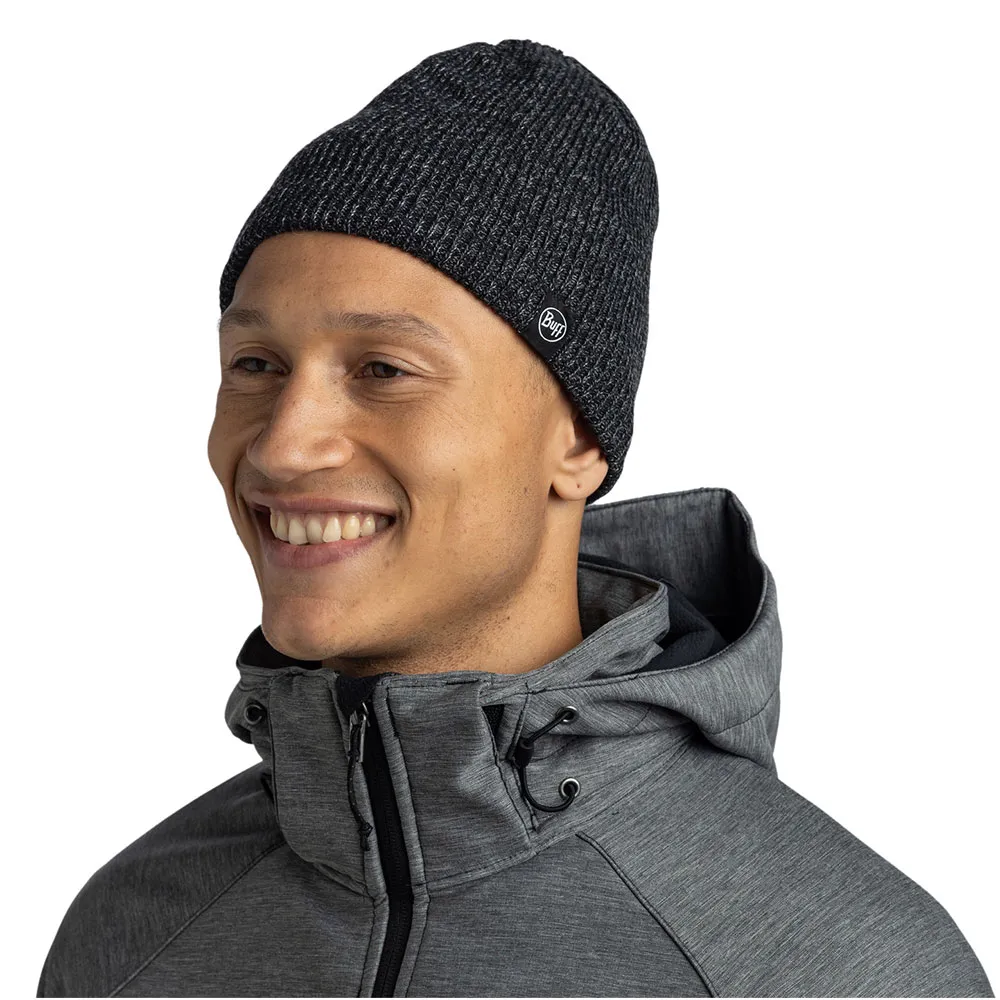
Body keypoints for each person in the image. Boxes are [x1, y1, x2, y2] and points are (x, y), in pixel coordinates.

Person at [37, 38, 993, 999]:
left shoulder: (840, 968)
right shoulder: (128, 936)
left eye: (383, 370)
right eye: (255, 366)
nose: (283, 446)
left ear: (579, 440)